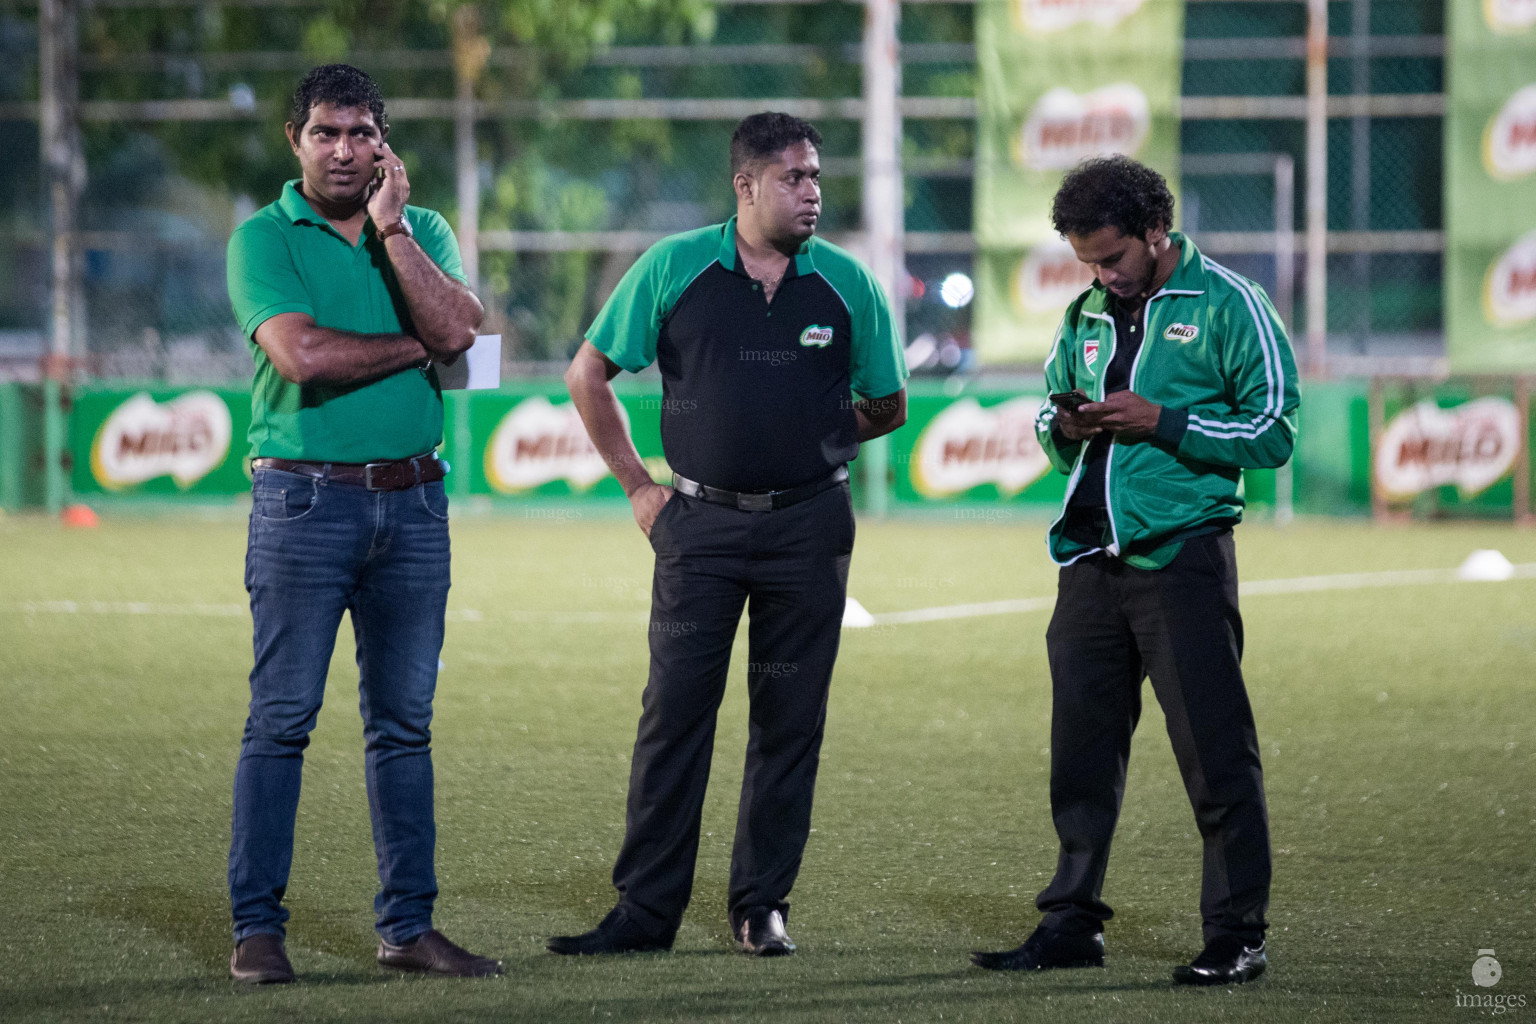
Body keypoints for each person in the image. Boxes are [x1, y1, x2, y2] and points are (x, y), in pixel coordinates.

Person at [552, 112, 909, 958]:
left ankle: (761, 906)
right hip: (698, 526)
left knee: (790, 719)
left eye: (818, 174)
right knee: (675, 715)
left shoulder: (848, 285)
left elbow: (888, 403)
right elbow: (588, 372)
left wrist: (807, 438)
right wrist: (639, 486)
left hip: (811, 528)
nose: (813, 191)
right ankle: (645, 913)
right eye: (794, 177)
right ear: (745, 186)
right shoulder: (676, 267)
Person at [971, 155, 1299, 986]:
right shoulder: (1083, 314)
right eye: (1087, 261)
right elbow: (1049, 410)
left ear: (1158, 231)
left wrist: (1165, 421)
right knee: (1080, 758)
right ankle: (1071, 922)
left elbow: (1273, 428)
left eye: (1113, 257)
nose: (1102, 275)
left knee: (1217, 756)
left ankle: (1237, 934)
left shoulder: (1230, 302)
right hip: (1088, 561)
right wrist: (1068, 429)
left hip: (1182, 556)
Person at [223, 64, 500, 983]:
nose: (344, 150)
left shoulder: (421, 231)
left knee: (405, 726)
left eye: (360, 134)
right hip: (303, 501)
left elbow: (469, 326)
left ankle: (408, 930)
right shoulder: (264, 238)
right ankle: (257, 932)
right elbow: (301, 356)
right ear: (295, 140)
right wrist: (424, 345)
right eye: (325, 133)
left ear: (384, 143)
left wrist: (392, 234)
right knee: (282, 721)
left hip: (416, 502)